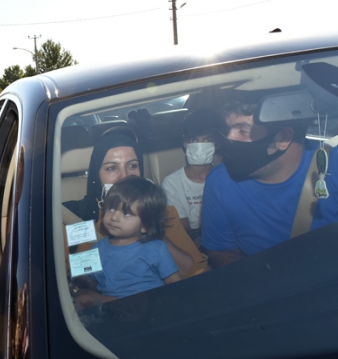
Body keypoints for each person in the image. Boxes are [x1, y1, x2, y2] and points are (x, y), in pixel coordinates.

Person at [201, 101, 338, 267]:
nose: (230, 137)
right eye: (228, 129)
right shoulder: (220, 181)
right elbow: (220, 251)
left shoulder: (332, 165)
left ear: (283, 138)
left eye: (242, 130)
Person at [64, 125, 206, 278]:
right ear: (96, 176)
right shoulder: (76, 218)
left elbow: (196, 270)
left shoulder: (164, 213)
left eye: (132, 165)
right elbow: (69, 278)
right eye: (112, 168)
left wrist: (154, 228)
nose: (125, 176)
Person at [74, 177, 181, 307]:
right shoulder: (96, 249)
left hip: (153, 307)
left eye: (126, 213)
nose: (114, 217)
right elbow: (71, 277)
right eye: (111, 208)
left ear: (145, 225)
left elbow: (176, 284)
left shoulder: (156, 248)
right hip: (114, 310)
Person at [161, 108, 223, 244]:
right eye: (193, 140)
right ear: (185, 143)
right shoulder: (172, 183)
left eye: (207, 139)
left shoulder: (225, 178)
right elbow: (183, 228)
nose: (200, 146)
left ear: (216, 144)